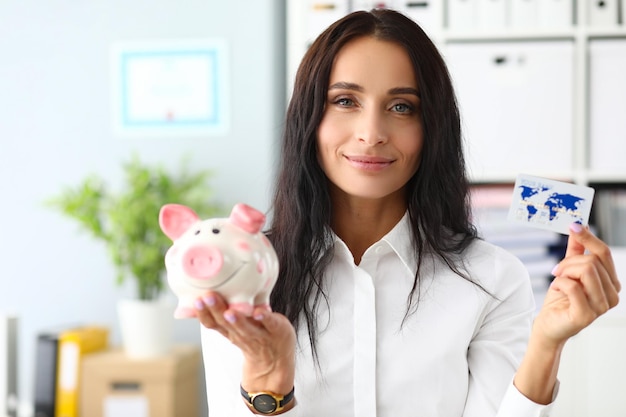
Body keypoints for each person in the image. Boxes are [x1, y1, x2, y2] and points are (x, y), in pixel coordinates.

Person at [195, 8, 621, 416]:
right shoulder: (242, 275)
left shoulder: (493, 278)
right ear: (309, 116)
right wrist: (269, 378)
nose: (372, 134)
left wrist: (546, 344)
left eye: (402, 107)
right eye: (345, 101)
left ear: (432, 127)